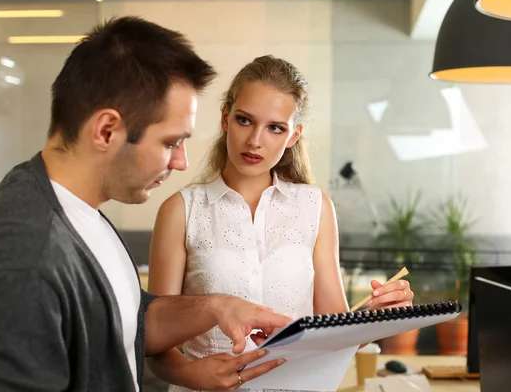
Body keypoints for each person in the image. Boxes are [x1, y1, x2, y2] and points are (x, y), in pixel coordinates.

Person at [0, 17, 293, 392]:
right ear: (106, 130)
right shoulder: (26, 260)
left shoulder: (79, 209)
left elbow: (129, 318)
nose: (181, 162)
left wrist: (217, 307)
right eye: (170, 142)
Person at [148, 55, 415, 391]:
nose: (255, 140)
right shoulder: (180, 210)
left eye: (275, 127)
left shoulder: (316, 207)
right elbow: (153, 333)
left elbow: (334, 331)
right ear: (225, 118)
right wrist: (191, 375)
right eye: (245, 120)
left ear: (293, 136)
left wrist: (378, 318)